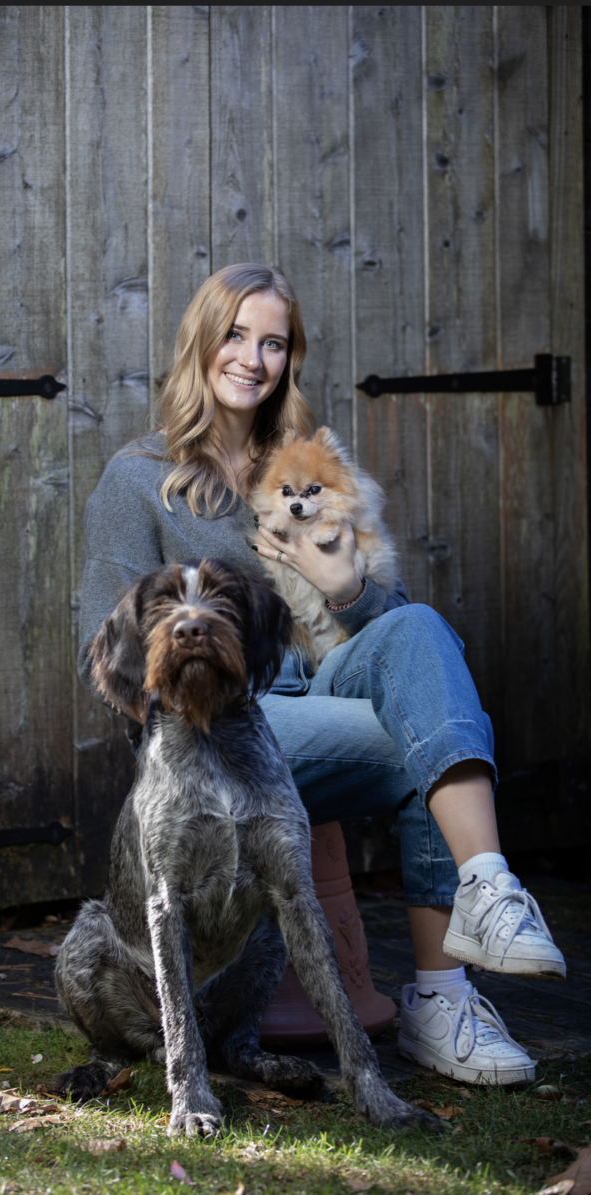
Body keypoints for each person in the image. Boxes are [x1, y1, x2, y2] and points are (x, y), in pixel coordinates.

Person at [77, 262, 564, 1086]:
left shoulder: (303, 462)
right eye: (236, 335)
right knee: (432, 741)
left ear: (289, 361)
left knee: (419, 632)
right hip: (218, 734)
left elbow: (403, 640)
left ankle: (480, 905)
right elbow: (105, 635)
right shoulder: (139, 478)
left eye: (274, 343)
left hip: (328, 688)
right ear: (202, 342)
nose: (253, 358)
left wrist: (349, 588)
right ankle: (443, 989)